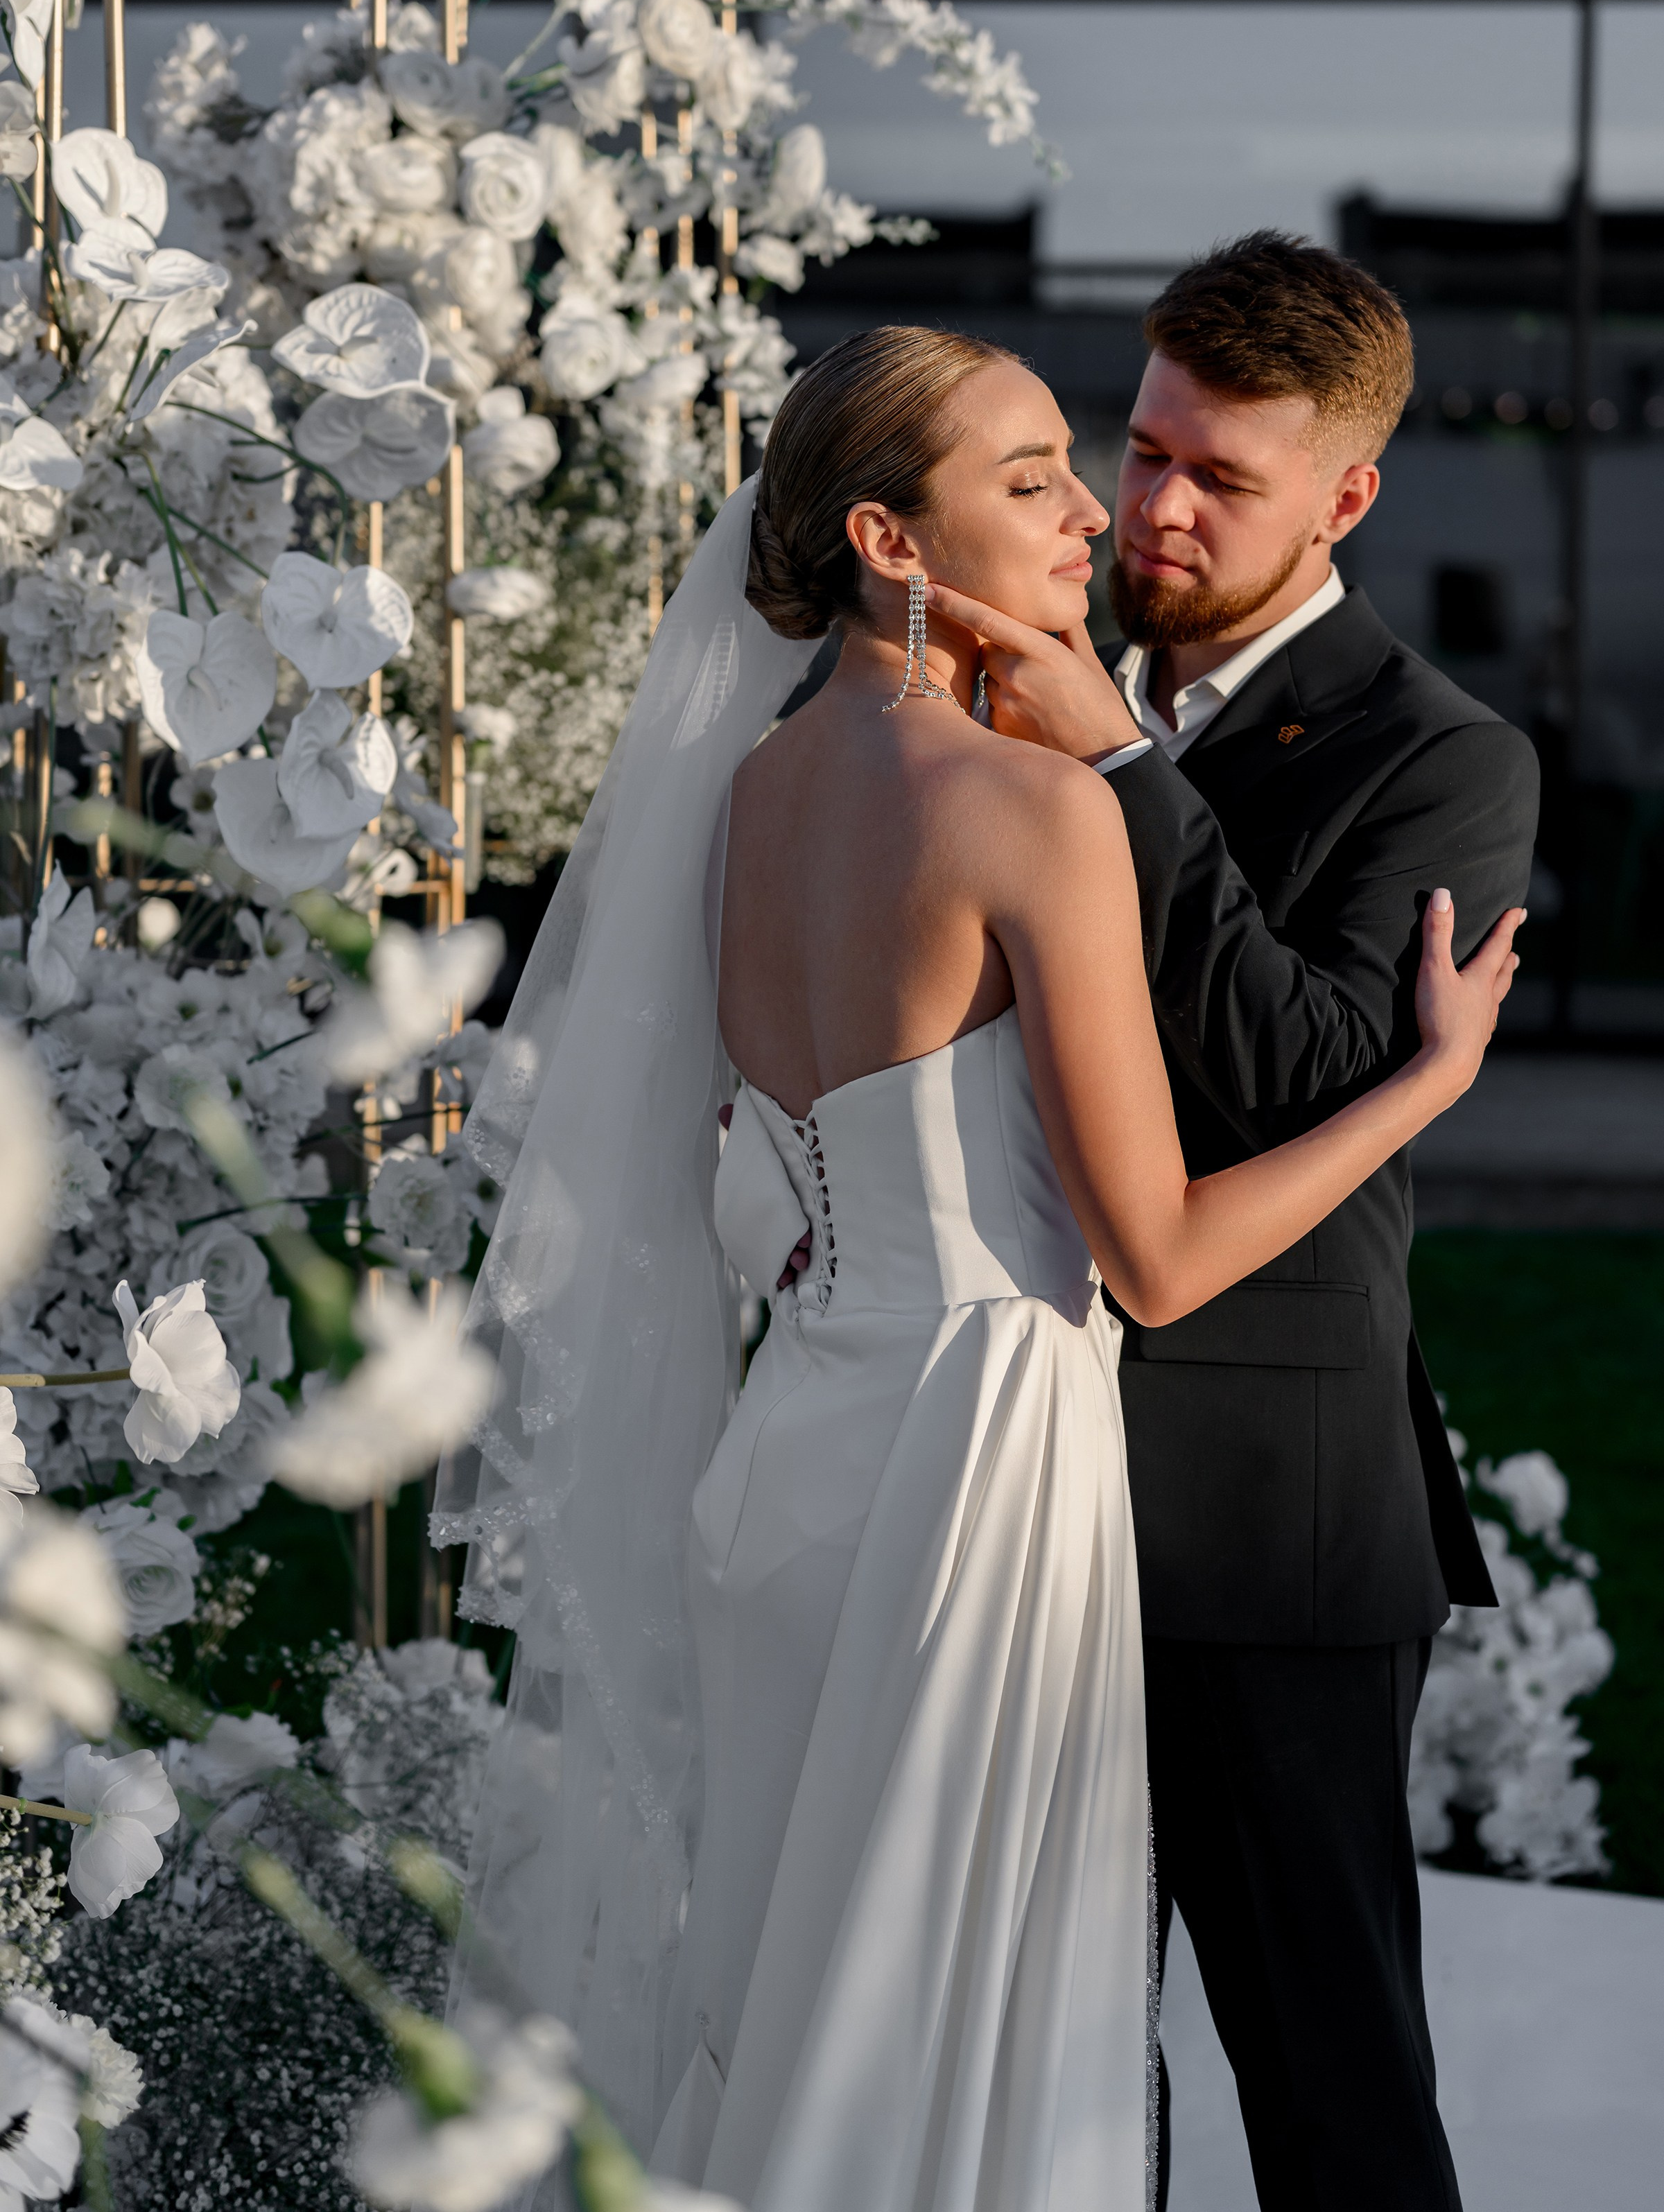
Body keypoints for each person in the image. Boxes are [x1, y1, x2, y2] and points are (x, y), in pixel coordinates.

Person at [440, 324, 1523, 2212]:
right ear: (887, 535)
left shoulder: (754, 791)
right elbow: (1162, 1260)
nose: (1105, 508)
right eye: (1041, 477)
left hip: (799, 1455)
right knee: (973, 2040)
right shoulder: (1036, 801)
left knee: (808, 2001)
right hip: (980, 1458)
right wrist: (1431, 1078)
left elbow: (758, 1169)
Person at [924, 234, 1541, 2212]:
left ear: (1348, 498)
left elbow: (1305, 1072)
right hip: (1009, 1487)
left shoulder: (1443, 758)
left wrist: (1113, 757)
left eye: (1225, 479)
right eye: (1150, 449)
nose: (1158, 509)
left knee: (1332, 2097)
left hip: (1268, 1525)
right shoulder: (990, 681)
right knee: (1064, 2101)